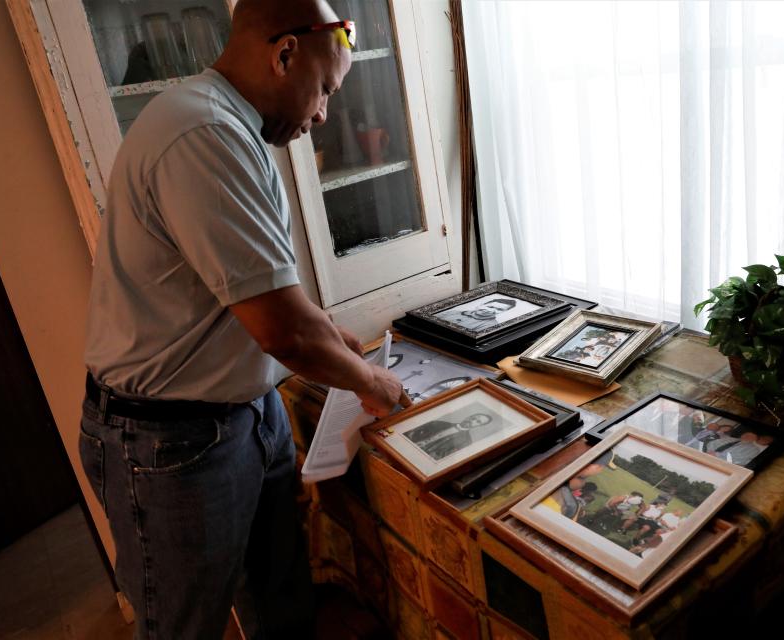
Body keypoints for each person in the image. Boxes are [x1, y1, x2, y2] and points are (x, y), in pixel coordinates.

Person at [78, 2, 410, 638]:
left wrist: (327, 330)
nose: (322, 115)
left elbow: (255, 288)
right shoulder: (201, 134)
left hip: (247, 412)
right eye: (324, 89)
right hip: (169, 441)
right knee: (184, 623)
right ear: (285, 54)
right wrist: (372, 383)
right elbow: (282, 332)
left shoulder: (231, 125)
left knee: (282, 593)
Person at [403, 412, 495, 461]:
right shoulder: (438, 423)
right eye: (474, 418)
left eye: (478, 422)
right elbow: (410, 431)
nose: (472, 421)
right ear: (469, 416)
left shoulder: (465, 442)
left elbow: (445, 459)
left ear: (478, 426)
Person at [435, 297, 518, 331]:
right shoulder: (453, 312)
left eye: (499, 309)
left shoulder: (490, 326)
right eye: (490, 306)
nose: (490, 310)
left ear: (503, 312)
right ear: (481, 305)